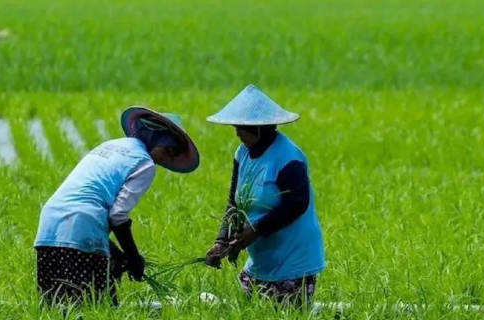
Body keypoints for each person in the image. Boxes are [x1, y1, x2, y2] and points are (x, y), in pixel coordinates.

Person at [34, 107, 200, 306]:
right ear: (154, 139)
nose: (164, 159)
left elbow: (88, 200)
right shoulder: (145, 163)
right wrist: (133, 258)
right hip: (82, 223)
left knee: (56, 306)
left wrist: (115, 253)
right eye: (167, 151)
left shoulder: (110, 146)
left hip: (49, 224)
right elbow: (118, 215)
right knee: (98, 310)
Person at [205, 84, 326, 306]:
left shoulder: (288, 157)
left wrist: (257, 230)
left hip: (292, 258)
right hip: (262, 257)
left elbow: (298, 203)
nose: (237, 132)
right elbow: (235, 202)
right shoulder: (242, 153)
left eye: (242, 128)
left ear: (261, 127)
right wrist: (221, 241)